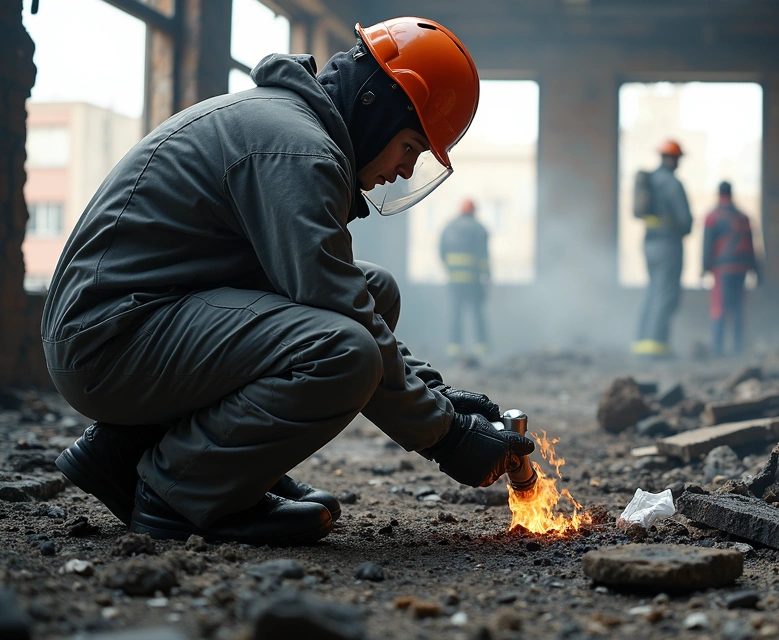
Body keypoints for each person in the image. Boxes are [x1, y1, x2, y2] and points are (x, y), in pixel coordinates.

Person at [44, 17, 534, 545]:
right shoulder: (299, 151)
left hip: (134, 322)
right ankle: (179, 493)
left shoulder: (287, 126)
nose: (403, 171)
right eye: (411, 147)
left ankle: (122, 453)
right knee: (344, 353)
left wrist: (440, 400)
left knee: (375, 290)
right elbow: (343, 314)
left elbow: (349, 296)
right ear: (377, 108)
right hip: (107, 341)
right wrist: (447, 435)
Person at [633, 139, 693, 358]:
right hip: (668, 243)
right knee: (665, 293)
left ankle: (641, 341)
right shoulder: (672, 183)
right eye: (677, 159)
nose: (678, 163)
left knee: (653, 290)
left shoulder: (651, 180)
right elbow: (685, 220)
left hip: (650, 242)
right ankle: (656, 346)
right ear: (673, 158)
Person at [702, 181, 760, 356]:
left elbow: (707, 244)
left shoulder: (712, 217)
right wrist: (757, 270)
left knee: (720, 307)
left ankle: (718, 349)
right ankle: (737, 347)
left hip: (722, 269)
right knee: (737, 307)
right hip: (741, 268)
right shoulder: (743, 217)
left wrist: (704, 266)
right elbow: (752, 245)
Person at [441, 198, 490, 358]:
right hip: (473, 280)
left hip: (454, 280)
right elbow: (484, 255)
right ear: (474, 211)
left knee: (456, 313)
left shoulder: (449, 228)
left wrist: (449, 269)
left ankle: (454, 348)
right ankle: (481, 347)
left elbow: (441, 252)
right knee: (477, 313)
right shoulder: (479, 228)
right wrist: (487, 275)